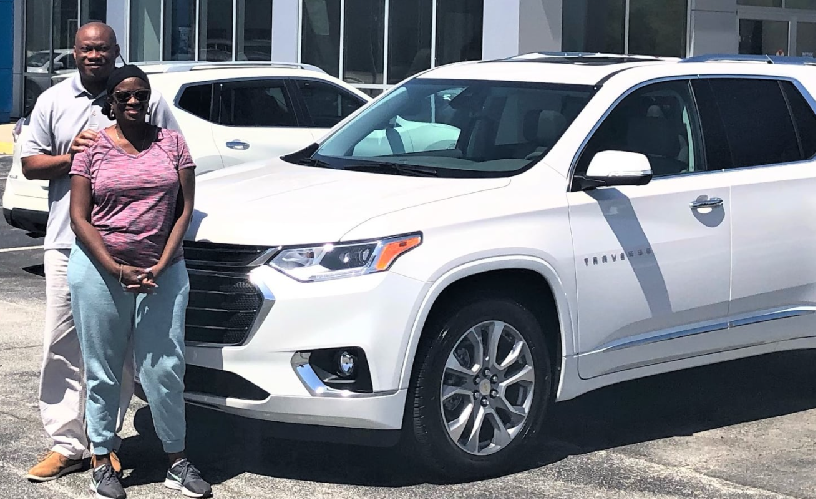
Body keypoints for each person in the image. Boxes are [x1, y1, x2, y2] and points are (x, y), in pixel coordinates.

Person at [21, 22, 179, 482]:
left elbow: (176, 154)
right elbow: (30, 164)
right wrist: (78, 157)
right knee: (61, 344)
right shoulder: (53, 100)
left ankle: (104, 442)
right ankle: (67, 444)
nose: (94, 56)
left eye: (103, 49)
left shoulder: (142, 95)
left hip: (132, 249)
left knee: (118, 352)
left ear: (115, 52)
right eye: (86, 49)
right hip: (67, 244)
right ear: (75, 52)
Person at [67, 64, 210, 499]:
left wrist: (163, 262)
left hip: (162, 271)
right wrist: (115, 268)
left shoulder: (172, 143)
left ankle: (176, 459)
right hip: (99, 271)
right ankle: (101, 459)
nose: (133, 101)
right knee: (103, 370)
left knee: (165, 368)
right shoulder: (92, 149)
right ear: (110, 101)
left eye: (140, 94)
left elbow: (184, 209)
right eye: (124, 95)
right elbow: (79, 216)